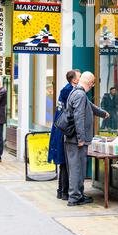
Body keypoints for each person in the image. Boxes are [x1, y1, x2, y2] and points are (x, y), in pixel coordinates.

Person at [65, 72, 109, 207]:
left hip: (73, 139)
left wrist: (103, 114)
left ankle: (77, 194)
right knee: (77, 168)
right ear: (90, 83)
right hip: (76, 140)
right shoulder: (80, 94)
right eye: (93, 83)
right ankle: (75, 197)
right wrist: (81, 139)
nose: (93, 86)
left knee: (77, 167)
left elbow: (90, 107)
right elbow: (79, 117)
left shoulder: (77, 92)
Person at [48, 69, 81, 200]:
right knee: (65, 161)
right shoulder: (69, 91)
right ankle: (64, 191)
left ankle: (62, 191)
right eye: (79, 76)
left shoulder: (67, 89)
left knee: (64, 161)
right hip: (64, 129)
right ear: (74, 80)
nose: (81, 78)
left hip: (61, 127)